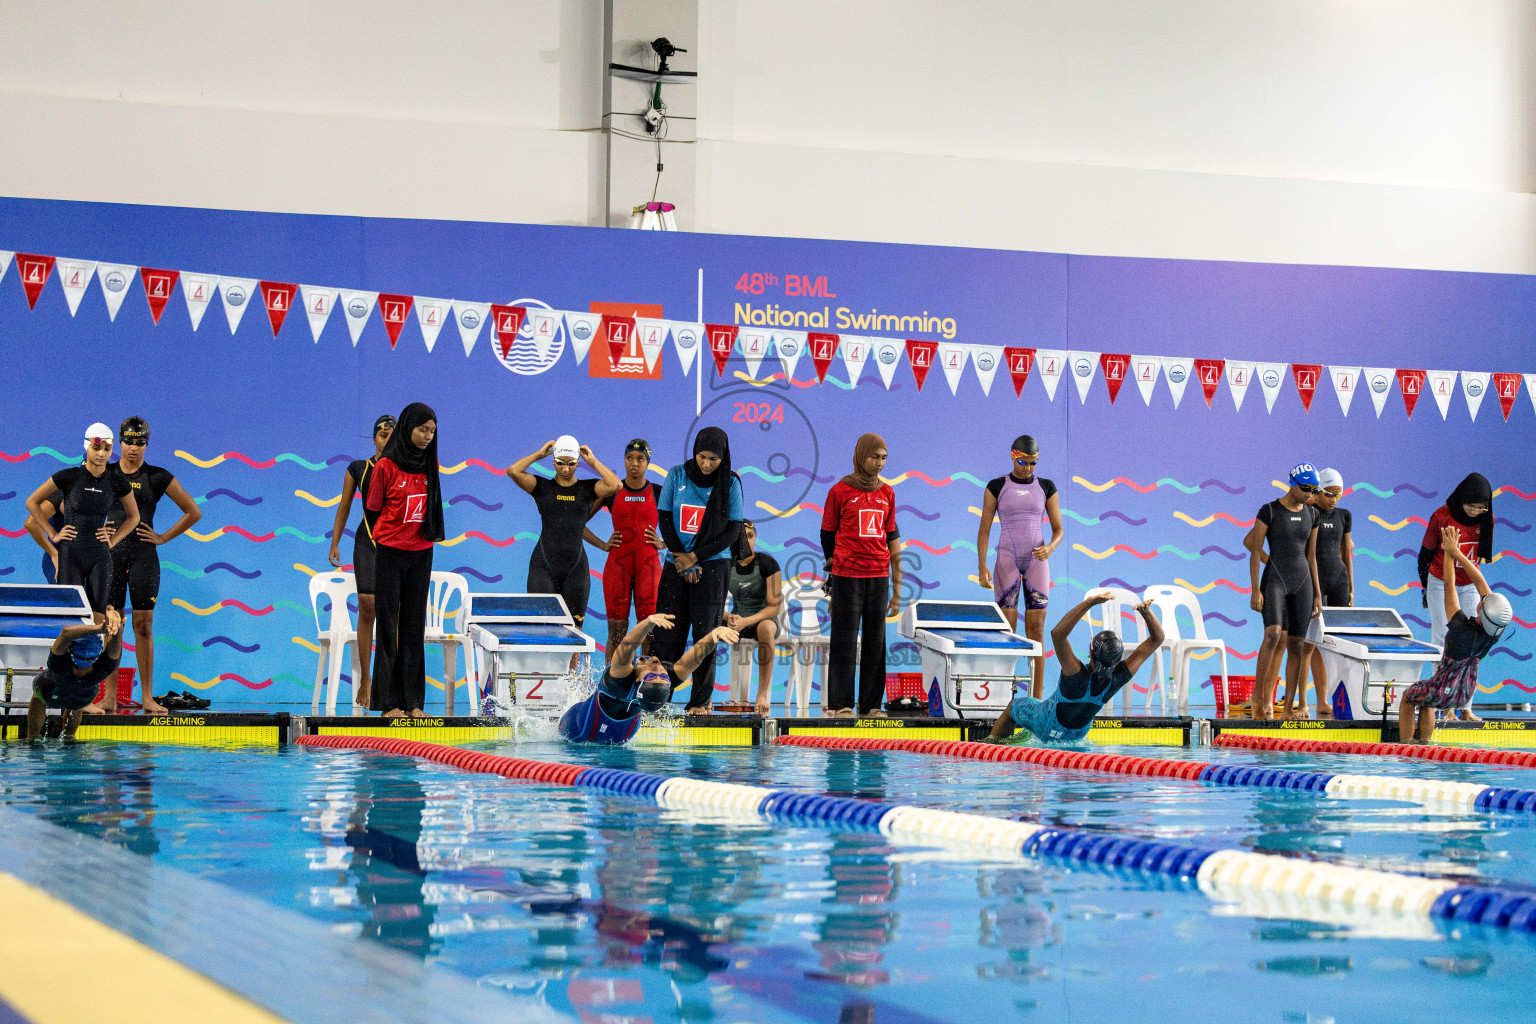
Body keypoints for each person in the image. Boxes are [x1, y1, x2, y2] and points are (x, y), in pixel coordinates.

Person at [95, 417, 201, 716]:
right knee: (111, 627)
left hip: (144, 557)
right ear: (120, 441)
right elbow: (76, 504)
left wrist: (163, 537)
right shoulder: (106, 473)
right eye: (129, 441)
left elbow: (193, 512)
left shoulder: (156, 476)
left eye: (140, 442)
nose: (133, 447)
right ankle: (109, 698)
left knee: (143, 627)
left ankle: (147, 698)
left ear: (147, 443)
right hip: (111, 558)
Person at [984, 593, 1163, 743]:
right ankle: (1024, 736)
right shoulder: (1118, 678)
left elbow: (1057, 634)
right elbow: (1157, 639)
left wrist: (1088, 603)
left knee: (1014, 706)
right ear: (1118, 658)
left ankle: (990, 745)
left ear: (1091, 652)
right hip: (1078, 734)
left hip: (1047, 724)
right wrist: (1147, 614)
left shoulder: (1075, 674)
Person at [654, 427, 745, 715]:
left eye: (714, 459)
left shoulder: (730, 483)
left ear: (724, 457)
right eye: (702, 457)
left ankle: (699, 702)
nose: (706, 464)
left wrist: (693, 557)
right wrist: (681, 558)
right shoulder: (676, 475)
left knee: (706, 634)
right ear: (694, 452)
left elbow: (732, 531)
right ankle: (658, 699)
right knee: (667, 632)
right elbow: (665, 519)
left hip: (713, 566)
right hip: (675, 564)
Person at [366, 403, 443, 718]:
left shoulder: (428, 463)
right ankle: (388, 703)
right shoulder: (385, 466)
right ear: (407, 428)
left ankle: (413, 703)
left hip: (421, 553)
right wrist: (391, 535)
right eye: (422, 429)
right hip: (390, 554)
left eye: (432, 431)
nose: (427, 436)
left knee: (413, 627)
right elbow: (373, 508)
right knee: (388, 626)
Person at [1398, 526, 1511, 744]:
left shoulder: (1461, 628)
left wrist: (1449, 552)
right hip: (1465, 692)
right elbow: (1481, 584)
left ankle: (1406, 746)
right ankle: (1425, 744)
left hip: (1444, 690)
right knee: (1426, 698)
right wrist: (1459, 553)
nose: (1482, 598)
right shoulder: (1495, 632)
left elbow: (1449, 584)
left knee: (1409, 696)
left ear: (1482, 611)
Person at [558, 614, 739, 744]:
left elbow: (627, 647)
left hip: (580, 728)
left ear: (638, 682)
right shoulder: (665, 678)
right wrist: (714, 635)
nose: (659, 669)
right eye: (662, 677)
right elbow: (696, 658)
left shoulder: (619, 683)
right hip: (622, 733)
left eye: (652, 676)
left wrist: (647, 623)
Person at [976, 434, 1064, 699]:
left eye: (1033, 463)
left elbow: (1059, 529)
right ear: (1013, 456)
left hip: (1038, 560)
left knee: (1036, 630)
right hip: (1007, 558)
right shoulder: (996, 486)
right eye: (1023, 462)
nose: (1028, 468)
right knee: (1007, 631)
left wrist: (1050, 547)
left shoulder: (1046, 486)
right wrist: (982, 566)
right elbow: (984, 530)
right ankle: (1004, 698)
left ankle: (1035, 699)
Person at [821, 433, 902, 718]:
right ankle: (842, 704)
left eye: (883, 458)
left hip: (878, 575)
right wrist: (834, 571)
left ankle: (870, 706)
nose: (878, 463)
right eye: (873, 456)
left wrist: (897, 587)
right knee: (844, 640)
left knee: (875, 641)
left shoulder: (888, 493)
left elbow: (892, 538)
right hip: (847, 576)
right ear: (860, 455)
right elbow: (827, 534)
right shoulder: (839, 491)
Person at [25, 424, 139, 620]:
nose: (101, 454)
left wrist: (110, 537)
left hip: (92, 551)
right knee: (70, 613)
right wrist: (53, 550)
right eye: (96, 448)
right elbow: (30, 523)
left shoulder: (110, 484)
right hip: (62, 555)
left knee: (95, 612)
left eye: (106, 449)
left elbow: (132, 516)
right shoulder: (64, 490)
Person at [507, 435, 619, 632]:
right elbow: (513, 471)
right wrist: (538, 454)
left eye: (571, 463)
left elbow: (615, 485)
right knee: (542, 628)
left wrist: (592, 461)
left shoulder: (587, 489)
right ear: (553, 460)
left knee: (574, 630)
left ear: (578, 462)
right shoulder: (542, 487)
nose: (565, 469)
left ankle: (571, 666)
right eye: (560, 463)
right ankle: (544, 664)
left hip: (576, 569)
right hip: (543, 567)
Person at [328, 414, 396, 710]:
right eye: (383, 436)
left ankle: (390, 684)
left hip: (396, 545)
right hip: (367, 542)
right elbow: (344, 505)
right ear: (374, 439)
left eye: (393, 437)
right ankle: (366, 679)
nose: (388, 441)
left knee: (395, 616)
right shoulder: (358, 469)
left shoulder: (407, 469)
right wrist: (334, 543)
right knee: (368, 607)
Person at [1243, 464, 1321, 721]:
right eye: (1306, 488)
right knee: (1273, 634)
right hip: (1275, 580)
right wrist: (1255, 589)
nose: (1310, 494)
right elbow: (1254, 550)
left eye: (1314, 490)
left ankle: (1288, 708)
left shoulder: (1313, 514)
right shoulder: (1270, 510)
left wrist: (1317, 594)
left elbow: (1311, 557)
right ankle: (1257, 697)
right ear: (1292, 483)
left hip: (1303, 583)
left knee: (1297, 644)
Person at [1418, 473, 1495, 723]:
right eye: (1471, 505)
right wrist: (1426, 589)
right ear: (1461, 498)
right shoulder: (1441, 516)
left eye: (1480, 506)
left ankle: (1466, 707)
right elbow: (1425, 555)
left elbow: (1480, 557)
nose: (1475, 511)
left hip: (1469, 584)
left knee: (1473, 647)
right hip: (1440, 581)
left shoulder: (1487, 518)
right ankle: (1444, 704)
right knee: (1443, 640)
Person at [584, 438, 665, 662]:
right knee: (617, 632)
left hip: (648, 568)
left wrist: (664, 543)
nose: (634, 464)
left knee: (648, 632)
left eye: (640, 459)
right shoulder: (612, 491)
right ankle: (611, 688)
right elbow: (576, 523)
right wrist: (602, 544)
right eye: (629, 458)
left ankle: (646, 688)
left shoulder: (659, 492)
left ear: (648, 462)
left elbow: (686, 525)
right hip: (618, 567)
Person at [26, 608, 125, 742]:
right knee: (79, 697)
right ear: (98, 654)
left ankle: (32, 738)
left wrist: (99, 629)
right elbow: (115, 642)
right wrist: (115, 626)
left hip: (49, 691)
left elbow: (66, 632)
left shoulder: (58, 664)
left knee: (39, 697)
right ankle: (69, 738)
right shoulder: (103, 668)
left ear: (70, 650)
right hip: (84, 697)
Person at [1304, 467, 1353, 718]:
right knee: (1313, 643)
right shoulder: (1309, 512)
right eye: (1328, 493)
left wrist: (1352, 587)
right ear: (1318, 491)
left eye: (1338, 493)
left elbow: (1347, 553)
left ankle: (1341, 699)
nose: (1334, 498)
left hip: (1339, 582)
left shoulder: (1344, 515)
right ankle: (1321, 700)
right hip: (1316, 583)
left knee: (1340, 644)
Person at [725, 520, 782, 715]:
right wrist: (727, 617)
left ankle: (762, 694)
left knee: (766, 628)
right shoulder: (725, 562)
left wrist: (745, 621)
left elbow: (774, 607)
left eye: (750, 536)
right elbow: (712, 601)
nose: (747, 541)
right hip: (736, 618)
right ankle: (703, 696)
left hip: (763, 619)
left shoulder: (767, 563)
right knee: (707, 624)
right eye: (742, 536)